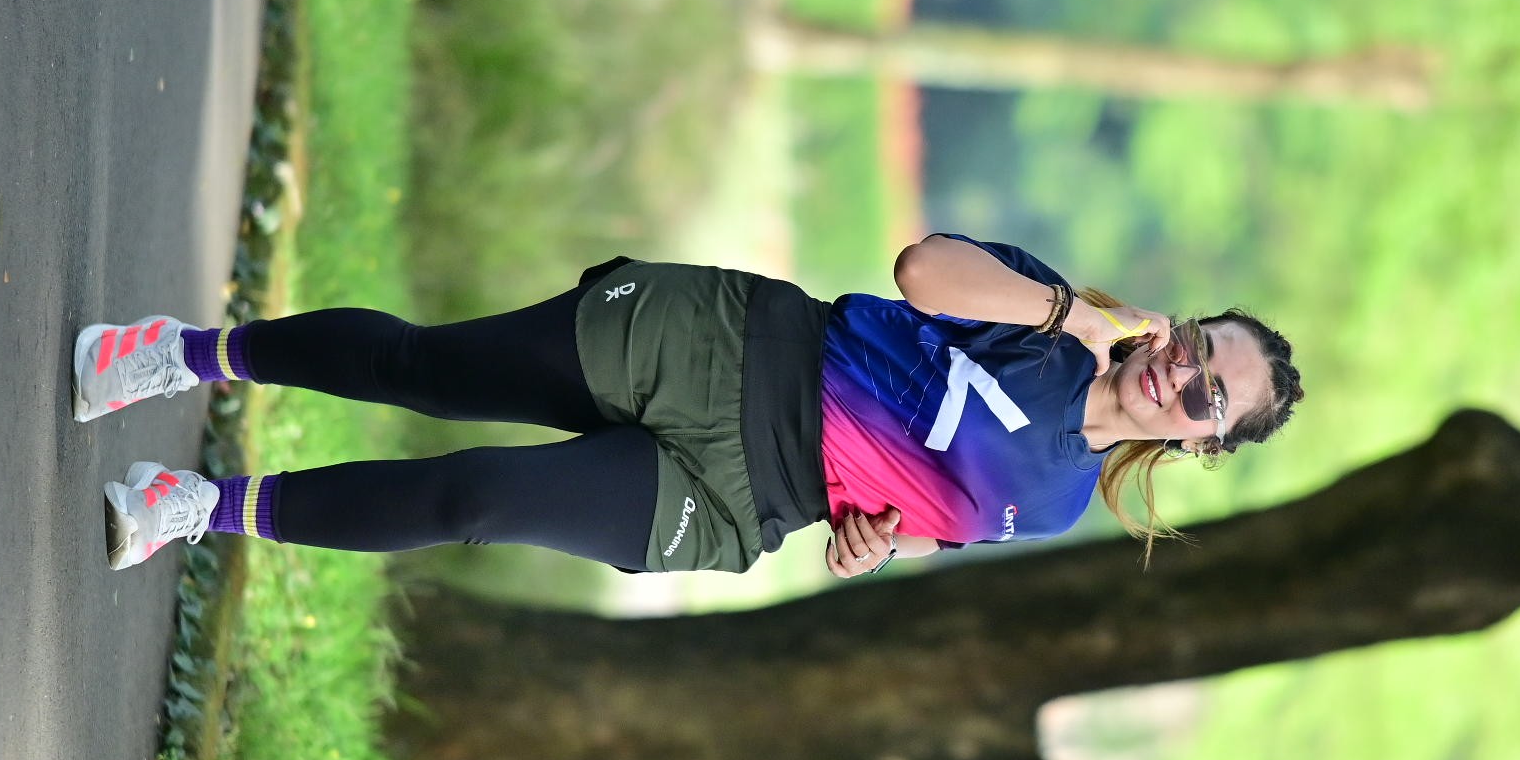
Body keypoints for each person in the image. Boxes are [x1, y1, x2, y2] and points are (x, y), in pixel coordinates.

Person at [79, 236, 1300, 577]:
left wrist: (866, 545)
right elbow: (923, 272)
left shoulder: (1057, 503)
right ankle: (179, 354)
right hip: (728, 345)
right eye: (1201, 346)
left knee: (477, 498)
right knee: (428, 370)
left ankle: (195, 506)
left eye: (1209, 397)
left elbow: (905, 515)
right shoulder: (1046, 312)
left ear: (1202, 442)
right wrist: (1066, 314)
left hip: (739, 499)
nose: (1183, 374)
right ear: (1178, 325)